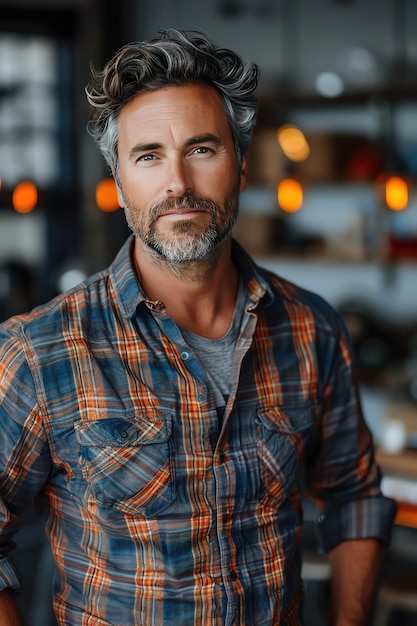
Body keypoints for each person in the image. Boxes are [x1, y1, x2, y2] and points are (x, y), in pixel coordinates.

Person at [0, 28, 396, 626]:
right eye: (148, 155)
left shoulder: (312, 330)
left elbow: (354, 499)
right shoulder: (39, 350)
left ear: (240, 165)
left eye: (202, 149)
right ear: (119, 181)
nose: (177, 183)